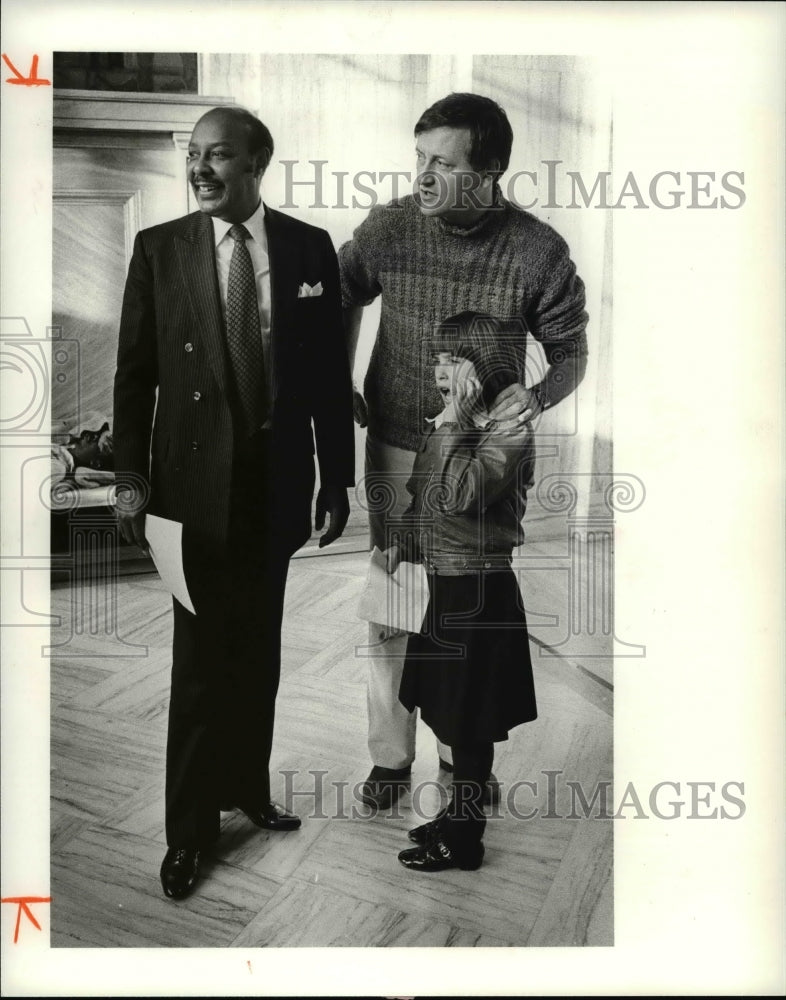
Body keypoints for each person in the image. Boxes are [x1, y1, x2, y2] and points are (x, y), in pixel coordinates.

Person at [113, 106, 355, 900]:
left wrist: (337, 480)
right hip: (188, 495)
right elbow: (134, 377)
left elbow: (324, 377)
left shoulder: (308, 248)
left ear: (258, 162)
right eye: (193, 154)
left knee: (259, 652)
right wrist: (129, 480)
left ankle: (246, 790)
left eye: (218, 155)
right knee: (199, 667)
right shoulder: (158, 250)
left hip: (277, 488)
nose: (201, 168)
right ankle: (188, 833)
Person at [339, 92, 588, 810]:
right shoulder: (389, 228)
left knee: (460, 611)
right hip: (394, 442)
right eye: (418, 157)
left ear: (489, 170)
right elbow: (339, 293)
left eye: (442, 163)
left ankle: (462, 759)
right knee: (392, 600)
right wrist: (339, 375)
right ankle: (390, 759)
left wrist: (536, 398)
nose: (420, 175)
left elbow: (571, 352)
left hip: (481, 466)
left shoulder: (538, 250)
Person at [386, 313, 538, 872]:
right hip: (447, 583)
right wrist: (401, 541)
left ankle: (465, 839)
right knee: (450, 713)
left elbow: (460, 495)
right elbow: (423, 492)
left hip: (480, 590)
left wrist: (450, 424)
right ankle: (455, 818)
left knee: (469, 724)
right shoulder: (460, 420)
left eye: (453, 359)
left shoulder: (510, 427)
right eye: (437, 358)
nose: (440, 370)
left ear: (486, 364)